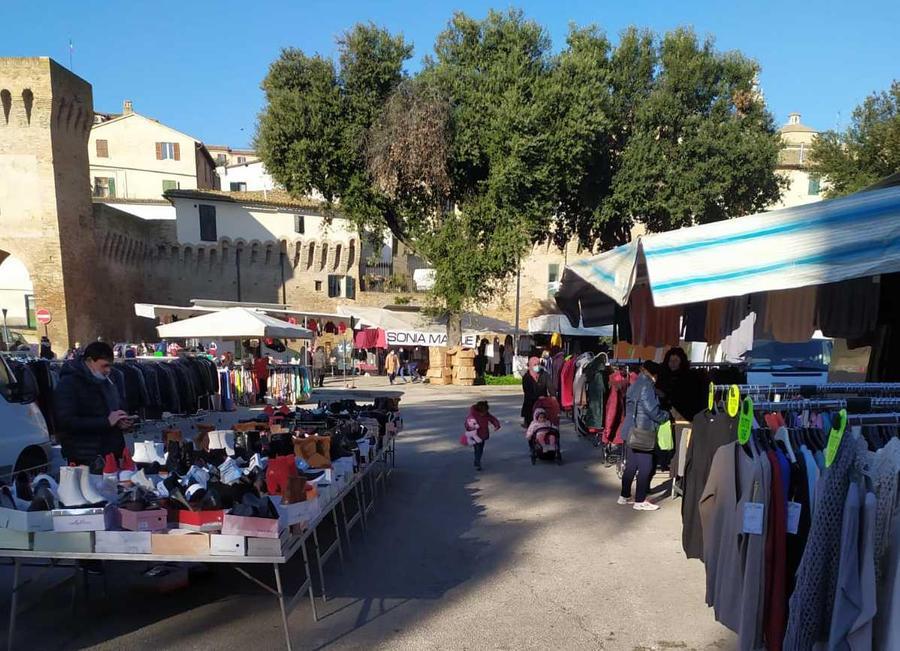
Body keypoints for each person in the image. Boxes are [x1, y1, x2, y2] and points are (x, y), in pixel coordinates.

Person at [54, 341, 130, 465]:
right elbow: (66, 421)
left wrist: (120, 421)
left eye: (110, 366)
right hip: (84, 455)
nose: (108, 370)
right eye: (104, 366)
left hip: (110, 452)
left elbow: (113, 409)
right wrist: (107, 421)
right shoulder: (69, 383)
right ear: (90, 361)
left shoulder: (108, 381)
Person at [618, 361, 671, 512]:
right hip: (643, 432)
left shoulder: (635, 384)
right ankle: (640, 500)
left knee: (631, 466)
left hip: (630, 430)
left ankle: (624, 495)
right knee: (646, 466)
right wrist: (665, 416)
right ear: (654, 374)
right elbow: (651, 409)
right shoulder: (647, 385)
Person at [657, 347, 704, 422]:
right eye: (670, 361)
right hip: (668, 419)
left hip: (687, 417)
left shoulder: (689, 377)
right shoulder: (664, 377)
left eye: (676, 360)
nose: (673, 363)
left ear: (681, 361)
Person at [466, 400, 501, 471]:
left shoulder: (486, 414)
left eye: (486, 412)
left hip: (483, 435)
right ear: (479, 411)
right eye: (483, 413)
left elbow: (493, 419)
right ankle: (477, 462)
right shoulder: (472, 415)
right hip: (475, 435)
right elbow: (467, 424)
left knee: (480, 449)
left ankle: (477, 460)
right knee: (477, 448)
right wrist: (471, 428)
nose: (484, 414)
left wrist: (496, 425)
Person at [521, 356, 549, 426]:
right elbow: (526, 390)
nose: (537, 367)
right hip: (530, 400)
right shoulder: (526, 376)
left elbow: (550, 386)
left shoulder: (544, 374)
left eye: (538, 364)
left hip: (542, 400)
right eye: (535, 365)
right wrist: (535, 397)